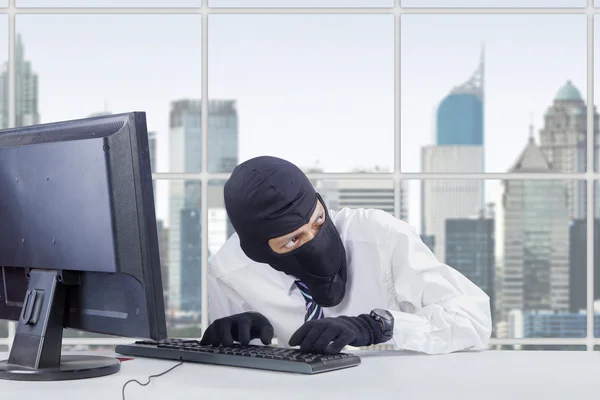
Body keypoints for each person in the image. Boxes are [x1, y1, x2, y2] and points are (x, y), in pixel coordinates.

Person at [200, 156, 492, 355]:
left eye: (317, 221)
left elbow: (474, 319)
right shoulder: (229, 271)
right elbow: (239, 374)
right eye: (291, 241)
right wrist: (240, 342)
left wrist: (379, 326)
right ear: (257, 251)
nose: (314, 241)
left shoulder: (380, 237)